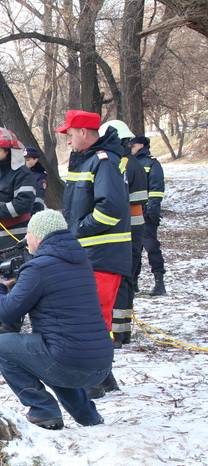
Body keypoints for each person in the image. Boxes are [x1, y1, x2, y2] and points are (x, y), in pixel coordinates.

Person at [0, 209, 113, 430]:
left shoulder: (38, 267)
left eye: (29, 233)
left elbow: (6, 313)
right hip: (101, 364)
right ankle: (87, 415)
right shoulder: (81, 262)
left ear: (39, 235)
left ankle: (43, 411)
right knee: (52, 349)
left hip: (71, 364)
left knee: (3, 346)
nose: (26, 239)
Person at [56, 110, 130, 397]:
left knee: (95, 319)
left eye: (70, 135)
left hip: (103, 254)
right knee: (92, 317)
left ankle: (94, 380)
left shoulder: (103, 161)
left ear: (84, 133)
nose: (67, 141)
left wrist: (79, 229)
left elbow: (110, 209)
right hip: (91, 254)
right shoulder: (89, 160)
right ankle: (104, 377)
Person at [0, 127, 37, 335]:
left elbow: (24, 203)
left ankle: (12, 322)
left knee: (13, 276)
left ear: (9, 152)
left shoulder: (22, 174)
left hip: (15, 234)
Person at [99, 120, 147, 348]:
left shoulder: (120, 164)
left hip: (123, 230)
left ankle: (117, 335)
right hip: (135, 230)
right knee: (127, 279)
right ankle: (123, 331)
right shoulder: (134, 163)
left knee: (119, 279)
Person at [130, 135, 167, 296]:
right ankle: (133, 282)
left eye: (133, 145)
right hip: (133, 212)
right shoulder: (130, 161)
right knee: (133, 248)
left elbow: (157, 189)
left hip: (146, 213)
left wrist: (151, 210)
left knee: (151, 246)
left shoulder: (152, 163)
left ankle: (159, 282)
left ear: (141, 145)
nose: (130, 147)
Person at [23, 146, 48, 214]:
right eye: (23, 160)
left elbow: (39, 195)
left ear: (35, 160)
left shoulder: (41, 175)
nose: (25, 162)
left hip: (34, 211)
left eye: (27, 160)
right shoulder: (21, 172)